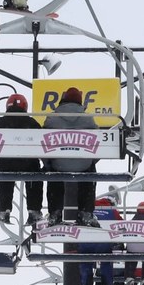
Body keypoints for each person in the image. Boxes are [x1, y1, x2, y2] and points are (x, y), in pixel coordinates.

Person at [44, 87, 99, 225]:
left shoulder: (52, 118)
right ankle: (85, 213)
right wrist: (91, 161)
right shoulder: (88, 119)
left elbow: (42, 144)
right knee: (89, 173)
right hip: (83, 165)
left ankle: (55, 213)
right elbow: (99, 145)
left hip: (58, 164)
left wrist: (48, 163)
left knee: (53, 174)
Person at [0, 93, 43, 224]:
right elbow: (42, 140)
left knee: (3, 177)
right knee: (35, 179)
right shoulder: (31, 122)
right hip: (28, 163)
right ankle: (34, 210)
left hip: (7, 164)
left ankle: (4, 209)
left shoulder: (1, 122)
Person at [78, 195, 118, 285]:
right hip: (103, 243)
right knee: (106, 261)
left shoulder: (88, 209)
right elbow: (121, 226)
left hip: (86, 242)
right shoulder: (112, 211)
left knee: (85, 263)